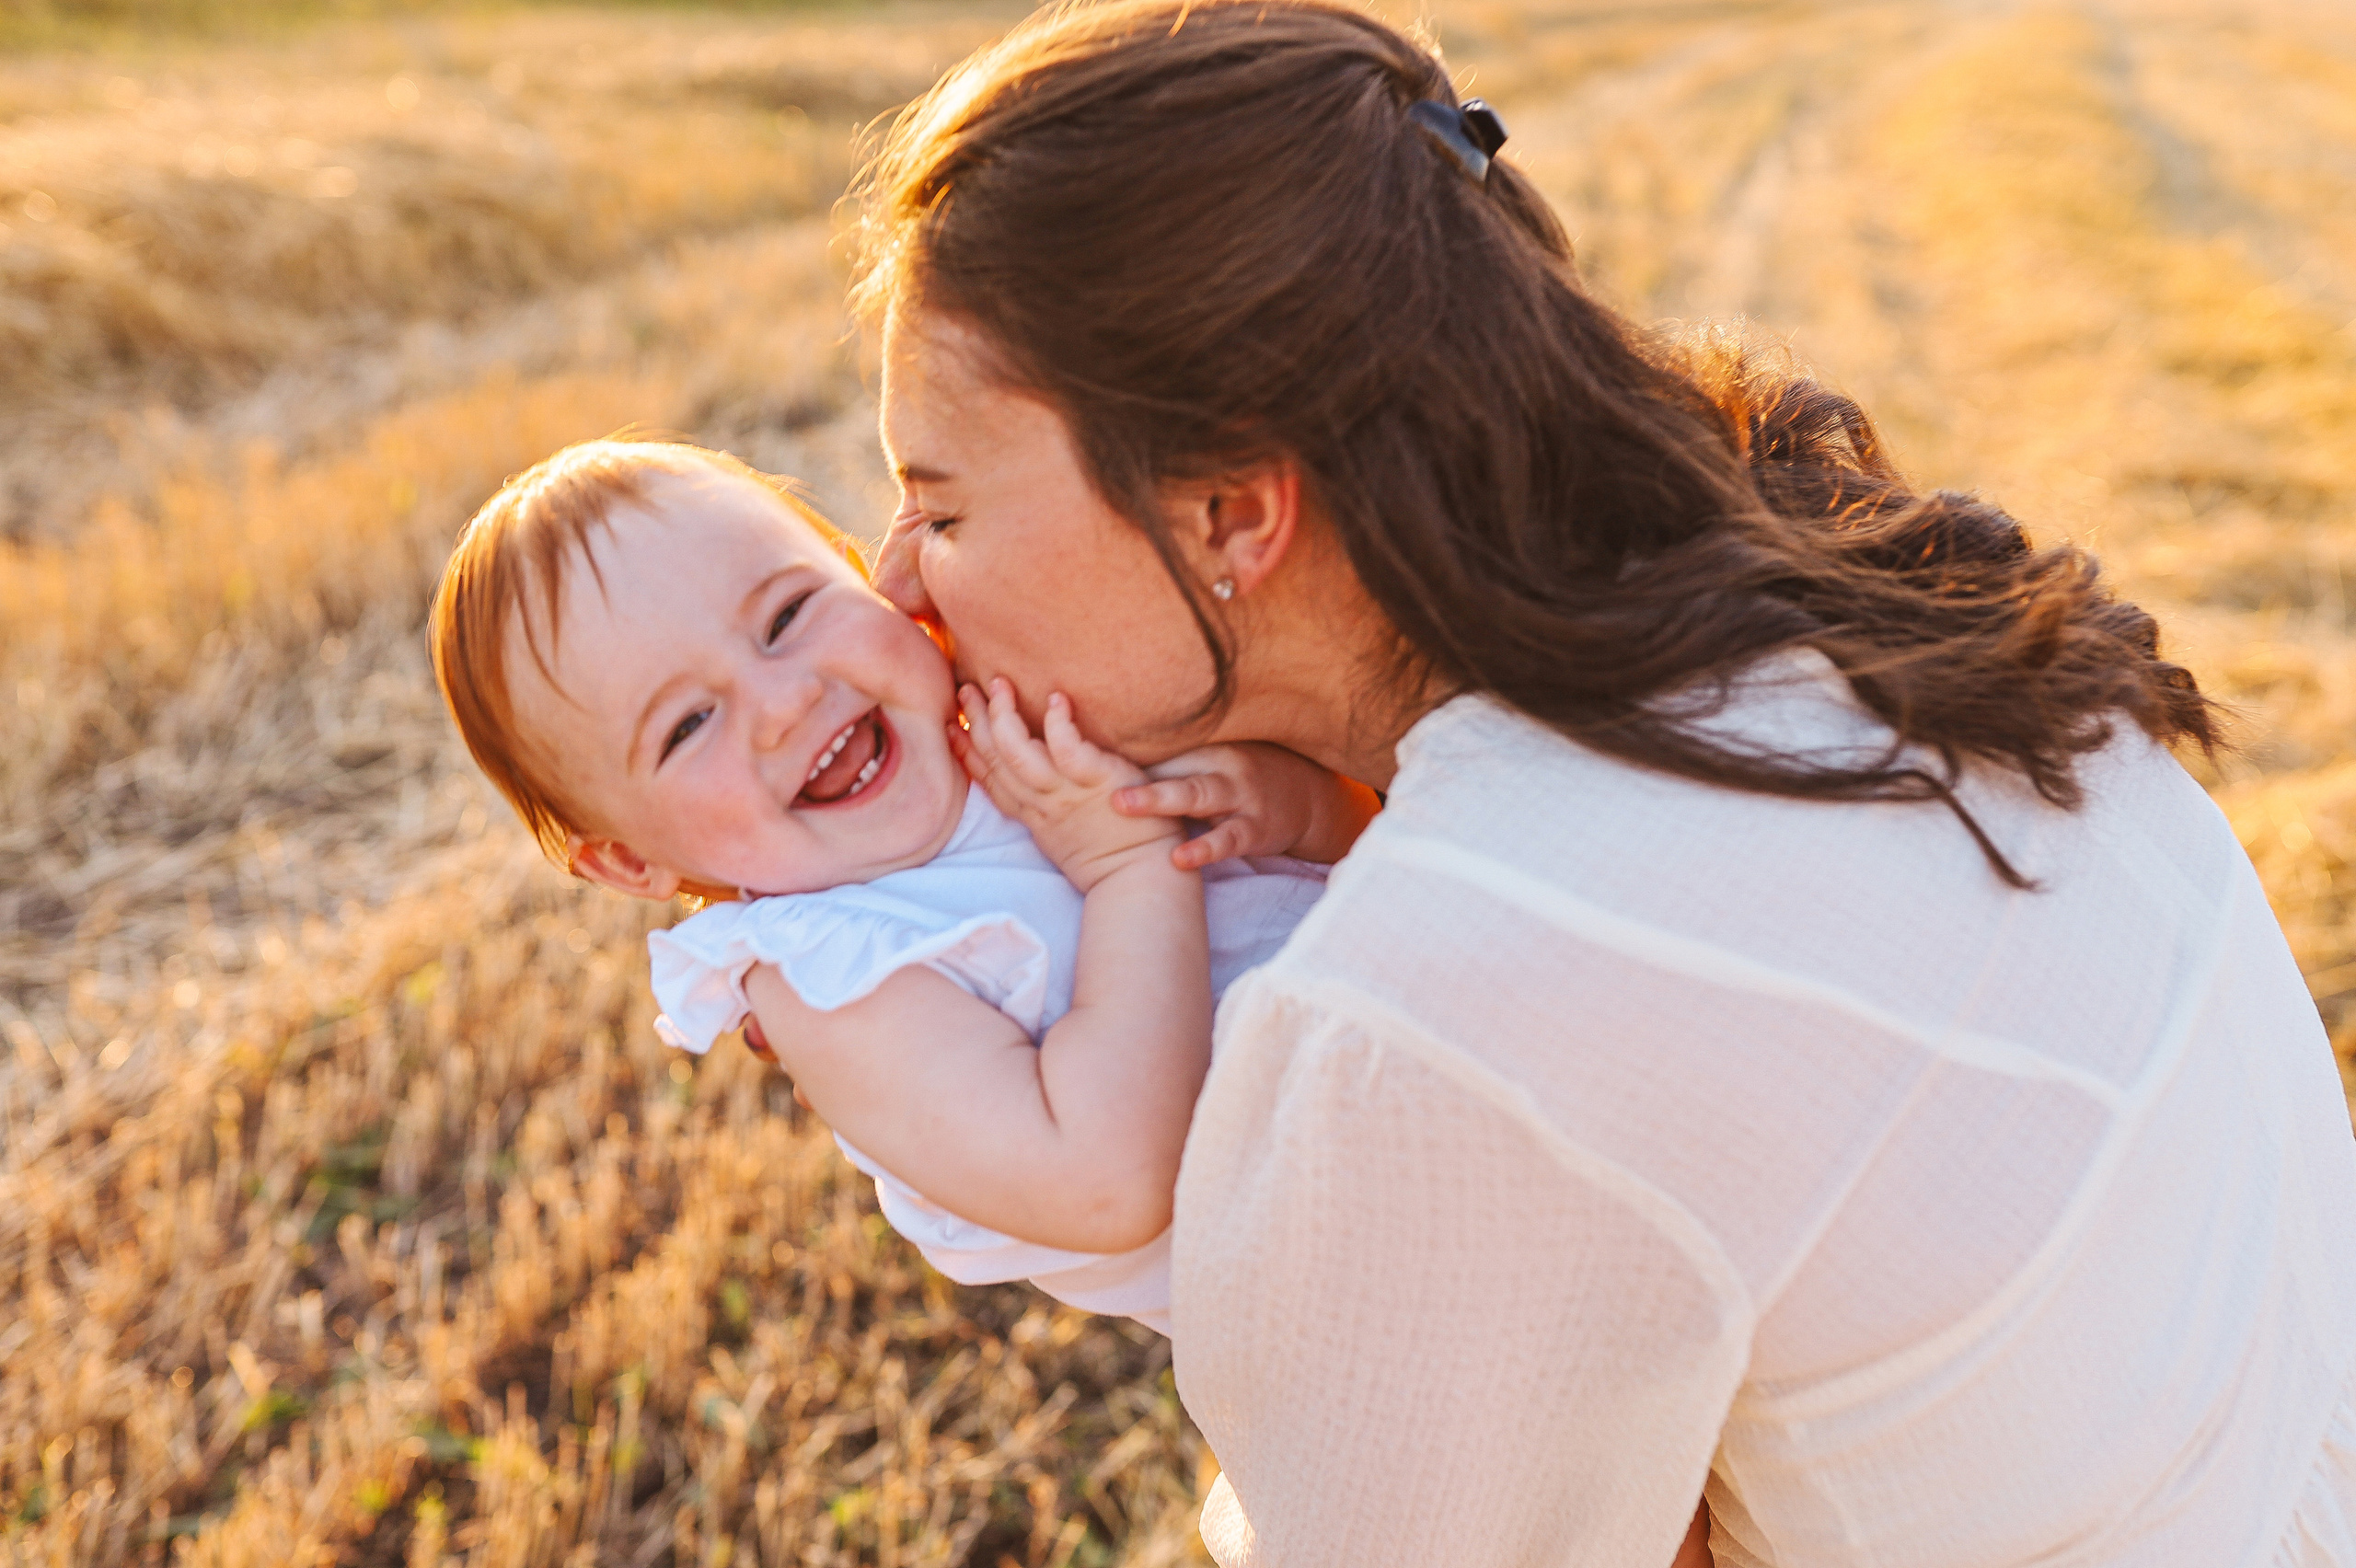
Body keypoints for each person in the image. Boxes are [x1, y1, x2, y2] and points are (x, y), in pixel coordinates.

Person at [850, 1, 2356, 1563]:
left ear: (1233, 510)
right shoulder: (1827, 590)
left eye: (940, 505)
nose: (898, 585)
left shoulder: (1459, 982)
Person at [426, 438, 1361, 1332]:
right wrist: (1130, 868)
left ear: (863, 571)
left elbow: (1360, 840)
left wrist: (1284, 802)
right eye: (687, 724)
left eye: (787, 615)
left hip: (1436, 1049)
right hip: (1359, 1284)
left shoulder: (1014, 710)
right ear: (630, 861)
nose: (785, 700)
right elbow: (1105, 1180)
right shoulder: (832, 977)